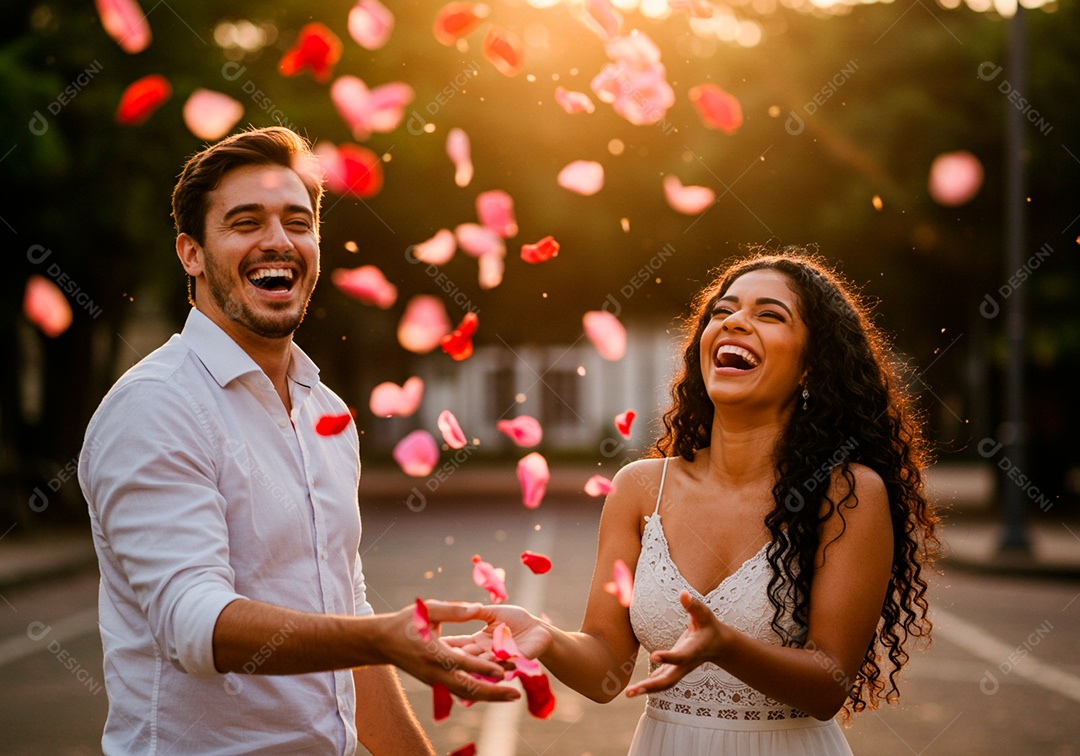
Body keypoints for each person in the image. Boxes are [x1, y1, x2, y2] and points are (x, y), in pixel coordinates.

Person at [78, 126, 517, 755]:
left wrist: (377, 644)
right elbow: (196, 627)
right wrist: (377, 637)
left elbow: (349, 615)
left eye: (297, 221)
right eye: (245, 222)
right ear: (191, 253)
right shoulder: (155, 407)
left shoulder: (326, 411)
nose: (277, 242)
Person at [457, 251, 939, 754]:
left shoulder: (847, 493)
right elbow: (606, 671)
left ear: (810, 367)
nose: (734, 322)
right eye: (722, 311)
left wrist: (726, 647)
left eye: (769, 314)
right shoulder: (639, 489)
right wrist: (542, 635)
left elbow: (828, 687)